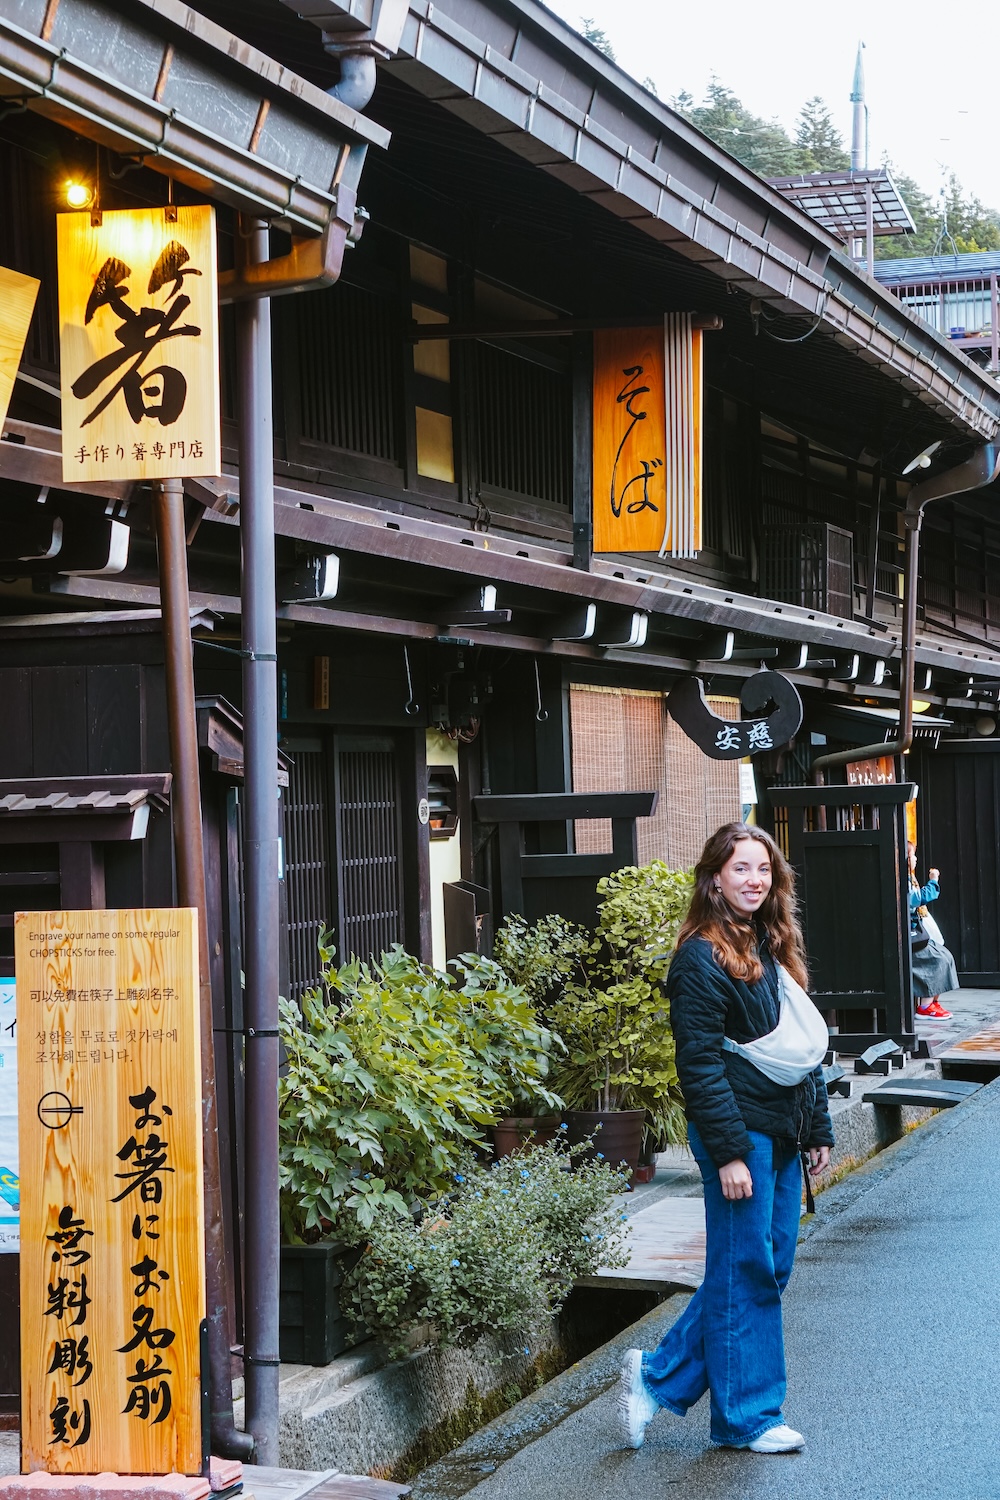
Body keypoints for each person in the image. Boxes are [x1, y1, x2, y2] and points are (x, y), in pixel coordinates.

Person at [618, 822, 833, 1455]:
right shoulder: (699, 958)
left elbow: (799, 1051)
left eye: (762, 870)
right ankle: (747, 1418)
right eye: (741, 869)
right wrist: (732, 1152)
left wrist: (816, 1124)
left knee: (768, 1267)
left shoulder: (772, 944)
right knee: (746, 1271)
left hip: (785, 1129)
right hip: (739, 1134)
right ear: (715, 877)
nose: (753, 880)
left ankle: (657, 1376)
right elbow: (701, 1064)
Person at [907, 844, 959, 1020]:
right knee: (936, 961)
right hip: (908, 936)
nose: (915, 860)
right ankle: (925, 1006)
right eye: (912, 856)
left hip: (914, 933)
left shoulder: (909, 877)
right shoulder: (901, 879)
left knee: (945, 956)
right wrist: (933, 881)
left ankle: (933, 1002)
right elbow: (916, 899)